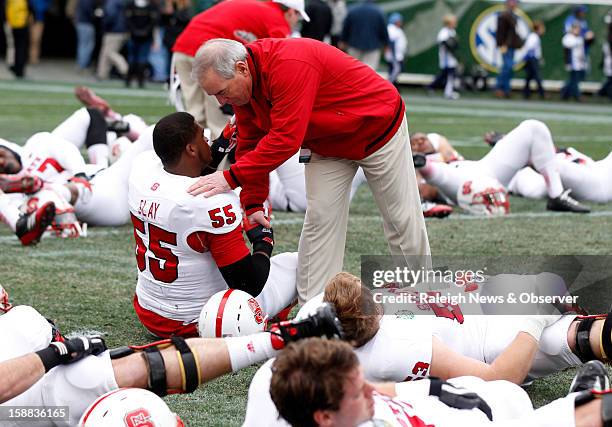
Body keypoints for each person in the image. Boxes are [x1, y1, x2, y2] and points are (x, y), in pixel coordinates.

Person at [190, 37, 431, 303]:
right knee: (320, 220)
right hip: (327, 141)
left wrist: (230, 178)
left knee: (401, 218)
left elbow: (285, 138)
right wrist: (253, 202)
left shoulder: (288, 64)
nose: (221, 101)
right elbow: (250, 140)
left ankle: (424, 299)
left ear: (242, 69)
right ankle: (312, 310)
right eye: (214, 95)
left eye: (222, 92)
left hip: (377, 129)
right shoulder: (242, 81)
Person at [0, 285, 342, 424]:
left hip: (34, 401)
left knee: (93, 375)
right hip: (18, 411)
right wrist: (57, 351)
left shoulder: (20, 319)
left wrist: (63, 353)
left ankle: (281, 338)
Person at [128, 112, 297, 337]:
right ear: (191, 149)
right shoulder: (210, 204)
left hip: (150, 315)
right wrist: (263, 240)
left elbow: (189, 177)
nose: (207, 138)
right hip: (203, 321)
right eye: (201, 135)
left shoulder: (143, 171)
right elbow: (248, 283)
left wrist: (219, 146)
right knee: (296, 264)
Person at [295, 272, 611, 385]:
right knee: (578, 338)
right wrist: (536, 314)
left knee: (547, 281)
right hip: (490, 343)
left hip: (478, 300)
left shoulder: (319, 310)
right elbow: (500, 378)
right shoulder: (394, 351)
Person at [257, 338, 612, 427]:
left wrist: (437, 390)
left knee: (512, 395)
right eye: (357, 390)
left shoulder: (274, 383)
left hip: (470, 400)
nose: (371, 389)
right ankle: (578, 401)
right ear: (324, 418)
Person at [170, 0, 309, 138]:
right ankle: (218, 158)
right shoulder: (275, 17)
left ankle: (194, 154)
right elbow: (284, 55)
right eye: (298, 17)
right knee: (219, 120)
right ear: (291, 12)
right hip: (209, 53)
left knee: (195, 115)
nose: (296, 22)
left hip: (183, 47)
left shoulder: (257, 8)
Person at [412, 120, 590, 213]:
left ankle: (556, 196)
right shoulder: (410, 166)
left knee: (534, 127)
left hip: (482, 170)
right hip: (459, 187)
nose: (420, 142)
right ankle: (424, 164)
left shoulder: (439, 144)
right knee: (438, 172)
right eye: (415, 142)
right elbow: (426, 192)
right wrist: (416, 165)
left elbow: (440, 143)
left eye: (423, 139)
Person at [339, 0, 388, 69]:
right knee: (370, 71)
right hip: (372, 47)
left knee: (354, 70)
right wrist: (386, 44)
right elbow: (383, 30)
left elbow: (346, 27)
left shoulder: (352, 9)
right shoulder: (379, 11)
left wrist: (343, 40)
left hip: (354, 45)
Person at [124, 0, 160, 88]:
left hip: (143, 36)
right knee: (134, 58)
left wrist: (140, 31)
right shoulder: (131, 5)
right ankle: (132, 80)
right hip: (136, 36)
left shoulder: (151, 6)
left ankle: (137, 80)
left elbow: (154, 22)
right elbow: (127, 20)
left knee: (140, 59)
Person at [495, 0, 524, 98]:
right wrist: (502, 44)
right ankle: (499, 88)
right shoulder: (504, 16)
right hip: (506, 46)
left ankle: (506, 89)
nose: (515, 4)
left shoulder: (513, 15)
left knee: (509, 68)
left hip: (511, 46)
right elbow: (500, 32)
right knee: (507, 67)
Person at [95, 0, 129, 80]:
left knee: (109, 52)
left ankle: (124, 68)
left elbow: (110, 16)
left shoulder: (112, 2)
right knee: (105, 53)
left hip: (113, 30)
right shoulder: (122, 2)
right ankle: (102, 74)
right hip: (123, 30)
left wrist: (104, 26)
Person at [428, 14, 460, 99]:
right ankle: (448, 92)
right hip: (446, 57)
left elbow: (455, 44)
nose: (455, 24)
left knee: (445, 75)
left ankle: (432, 87)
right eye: (453, 22)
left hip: (451, 56)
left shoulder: (452, 31)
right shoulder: (444, 32)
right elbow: (444, 43)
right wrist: (451, 45)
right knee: (449, 74)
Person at [562, 22, 593, 101]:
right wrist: (584, 37)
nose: (578, 30)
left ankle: (565, 93)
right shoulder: (568, 37)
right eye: (576, 28)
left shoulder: (579, 38)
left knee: (574, 80)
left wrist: (590, 37)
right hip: (572, 63)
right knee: (574, 80)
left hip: (580, 63)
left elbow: (586, 45)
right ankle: (577, 96)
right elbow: (570, 45)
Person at [5, 0, 30, 78]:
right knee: (20, 47)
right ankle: (19, 69)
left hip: (12, 24)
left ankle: (15, 66)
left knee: (13, 46)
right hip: (21, 25)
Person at [523, 21, 545, 99]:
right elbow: (529, 48)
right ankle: (542, 93)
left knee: (529, 77)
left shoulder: (535, 36)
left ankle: (526, 93)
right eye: (542, 28)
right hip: (532, 59)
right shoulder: (533, 37)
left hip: (532, 58)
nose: (543, 30)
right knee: (537, 76)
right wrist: (534, 58)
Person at [385, 12, 407, 87]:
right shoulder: (391, 28)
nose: (401, 22)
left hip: (397, 55)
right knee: (395, 71)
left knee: (395, 71)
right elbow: (391, 43)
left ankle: (393, 86)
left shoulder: (396, 29)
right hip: (394, 56)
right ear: (395, 21)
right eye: (399, 21)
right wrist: (394, 56)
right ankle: (387, 86)